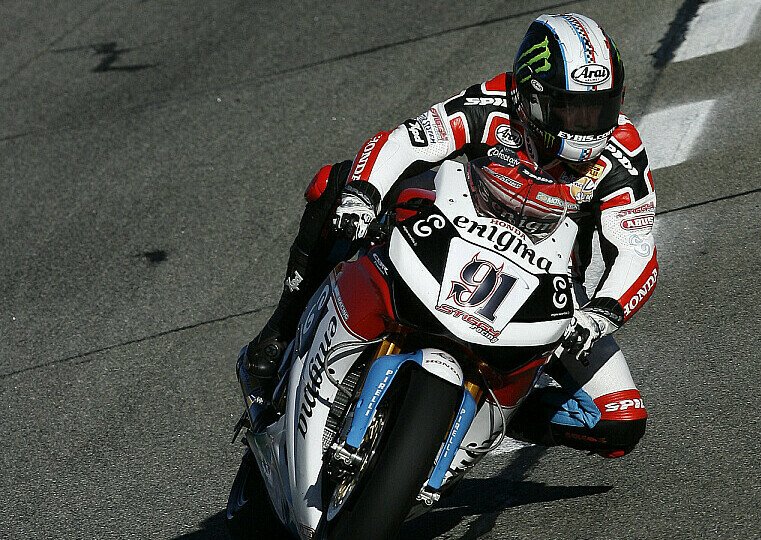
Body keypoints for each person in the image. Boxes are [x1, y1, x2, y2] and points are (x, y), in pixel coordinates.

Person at [243, 13, 658, 457]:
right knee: (338, 182)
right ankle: (281, 330)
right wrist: (362, 196)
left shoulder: (622, 153)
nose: (590, 125)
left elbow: (636, 250)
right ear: (534, 96)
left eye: (601, 108)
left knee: (620, 422)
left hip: (543, 287)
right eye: (574, 108)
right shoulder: (494, 102)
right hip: (449, 235)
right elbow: (406, 141)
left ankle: (496, 415)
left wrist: (599, 315)